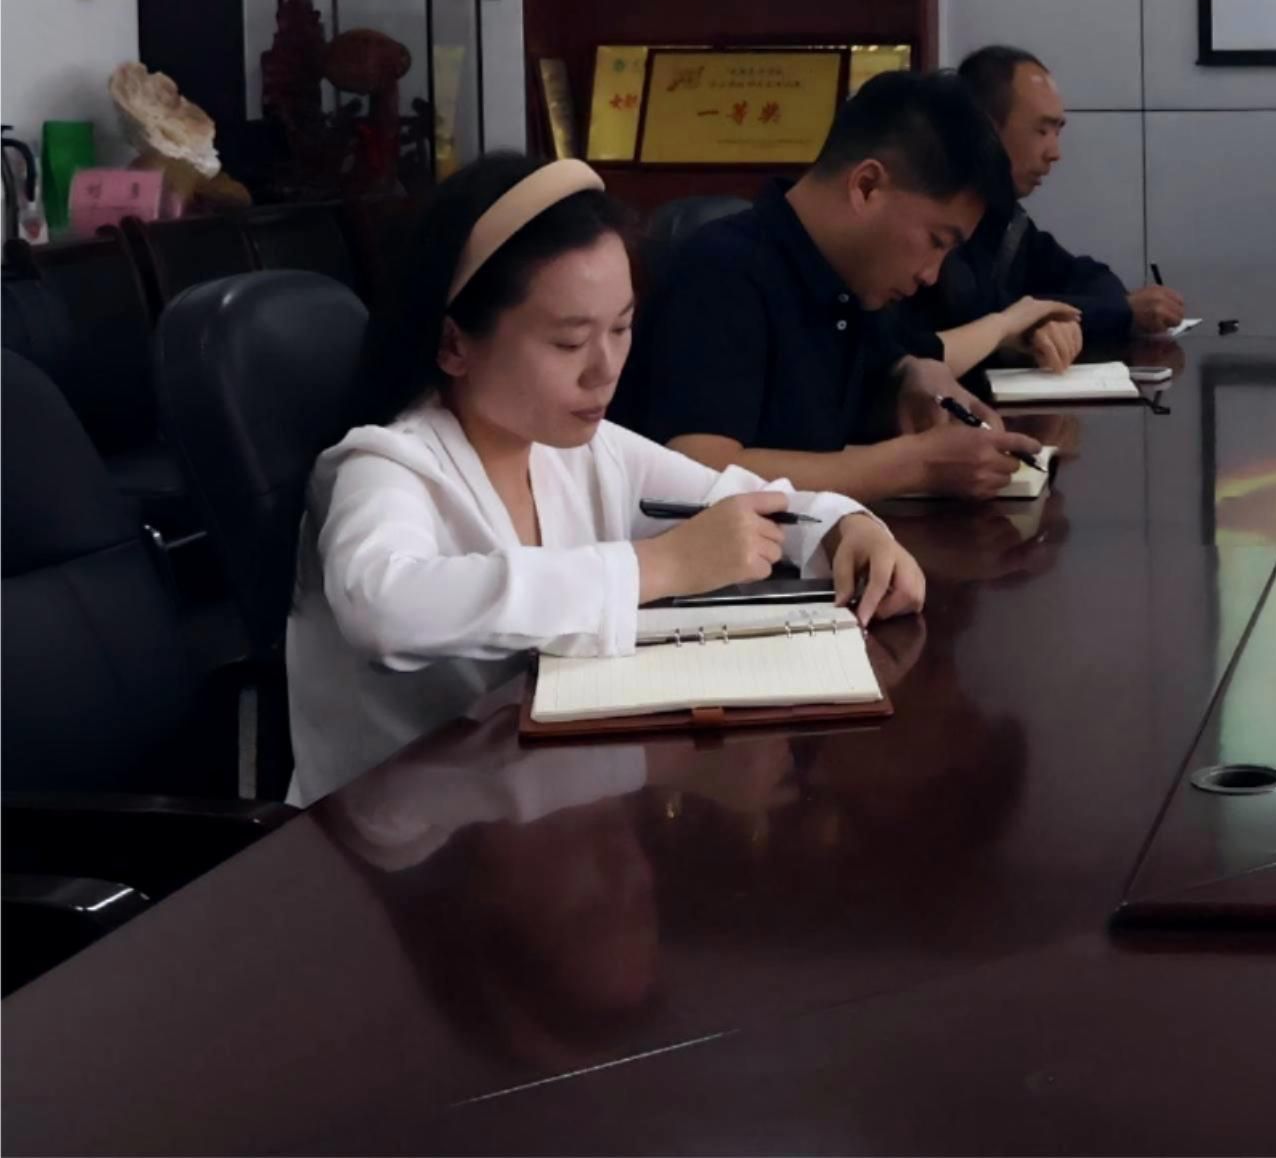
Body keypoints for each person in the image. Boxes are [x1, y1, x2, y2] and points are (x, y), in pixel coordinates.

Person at [288, 154, 926, 805]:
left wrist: (845, 526)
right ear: (454, 343)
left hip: (538, 795)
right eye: (569, 343)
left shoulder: (580, 447)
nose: (605, 369)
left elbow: (742, 501)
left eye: (621, 328)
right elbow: (383, 607)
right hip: (393, 833)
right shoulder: (385, 466)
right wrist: (660, 565)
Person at [614, 69, 1039, 499]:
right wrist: (919, 466)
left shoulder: (851, 279)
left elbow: (889, 362)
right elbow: (697, 468)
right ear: (866, 186)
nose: (931, 275)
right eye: (936, 241)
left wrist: (916, 374)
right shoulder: (723, 271)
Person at [911, 45, 1186, 376]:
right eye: (1042, 131)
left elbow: (1087, 276)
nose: (1055, 153)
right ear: (984, 129)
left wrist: (1071, 313)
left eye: (1058, 131)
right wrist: (1116, 310)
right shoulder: (941, 216)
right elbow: (982, 310)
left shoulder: (1007, 219)